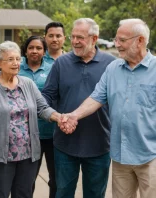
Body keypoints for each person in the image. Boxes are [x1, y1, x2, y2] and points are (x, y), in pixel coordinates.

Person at [60, 18, 156, 198]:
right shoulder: (113, 68)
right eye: (116, 39)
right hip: (121, 157)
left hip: (151, 156)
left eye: (122, 40)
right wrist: (73, 116)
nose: (116, 44)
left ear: (140, 40)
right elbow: (96, 98)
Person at [41, 18, 116, 198]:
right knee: (63, 192)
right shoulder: (61, 63)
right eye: (73, 37)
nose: (74, 41)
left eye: (80, 37)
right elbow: (47, 96)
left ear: (94, 38)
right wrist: (56, 116)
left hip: (99, 144)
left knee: (95, 194)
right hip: (65, 144)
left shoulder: (111, 64)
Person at [0, 41, 62, 198]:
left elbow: (43, 108)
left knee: (24, 194)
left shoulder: (28, 84)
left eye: (18, 59)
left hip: (28, 155)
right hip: (1, 156)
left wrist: (59, 117)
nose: (16, 63)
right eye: (10, 59)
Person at [18, 36, 56, 198]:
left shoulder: (54, 68)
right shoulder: (16, 67)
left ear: (44, 51)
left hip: (51, 133)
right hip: (25, 135)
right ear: (25, 50)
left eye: (39, 48)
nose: (34, 51)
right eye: (31, 48)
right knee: (26, 180)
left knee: (56, 178)